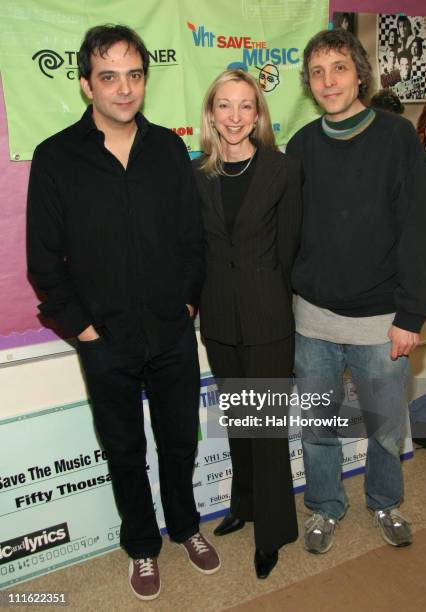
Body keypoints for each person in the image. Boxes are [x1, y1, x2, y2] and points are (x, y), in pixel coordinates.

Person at [27, 24, 220, 602]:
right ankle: (141, 544)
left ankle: (186, 526)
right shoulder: (57, 157)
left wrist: (188, 301)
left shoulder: (166, 148)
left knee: (179, 440)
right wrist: (83, 328)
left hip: (171, 331)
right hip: (104, 338)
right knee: (124, 450)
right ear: (87, 85)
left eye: (134, 75)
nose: (124, 88)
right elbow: (43, 258)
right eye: (109, 77)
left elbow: (193, 239)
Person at [286, 29, 426, 556]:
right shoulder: (301, 144)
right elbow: (288, 232)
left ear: (360, 75)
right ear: (309, 83)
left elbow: (419, 230)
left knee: (384, 427)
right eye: (318, 72)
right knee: (318, 428)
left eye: (339, 68)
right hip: (314, 320)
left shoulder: (397, 137)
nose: (329, 81)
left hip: (383, 320)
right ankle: (325, 506)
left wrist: (412, 314)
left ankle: (384, 501)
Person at [192, 69, 301, 579]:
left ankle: (273, 531)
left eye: (245, 106)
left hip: (267, 319)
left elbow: (290, 250)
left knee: (267, 430)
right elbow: (196, 251)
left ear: (257, 114)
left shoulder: (281, 169)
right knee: (239, 422)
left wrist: (277, 307)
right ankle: (245, 505)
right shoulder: (199, 174)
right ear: (211, 114)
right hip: (217, 319)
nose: (234, 117)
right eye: (224, 106)